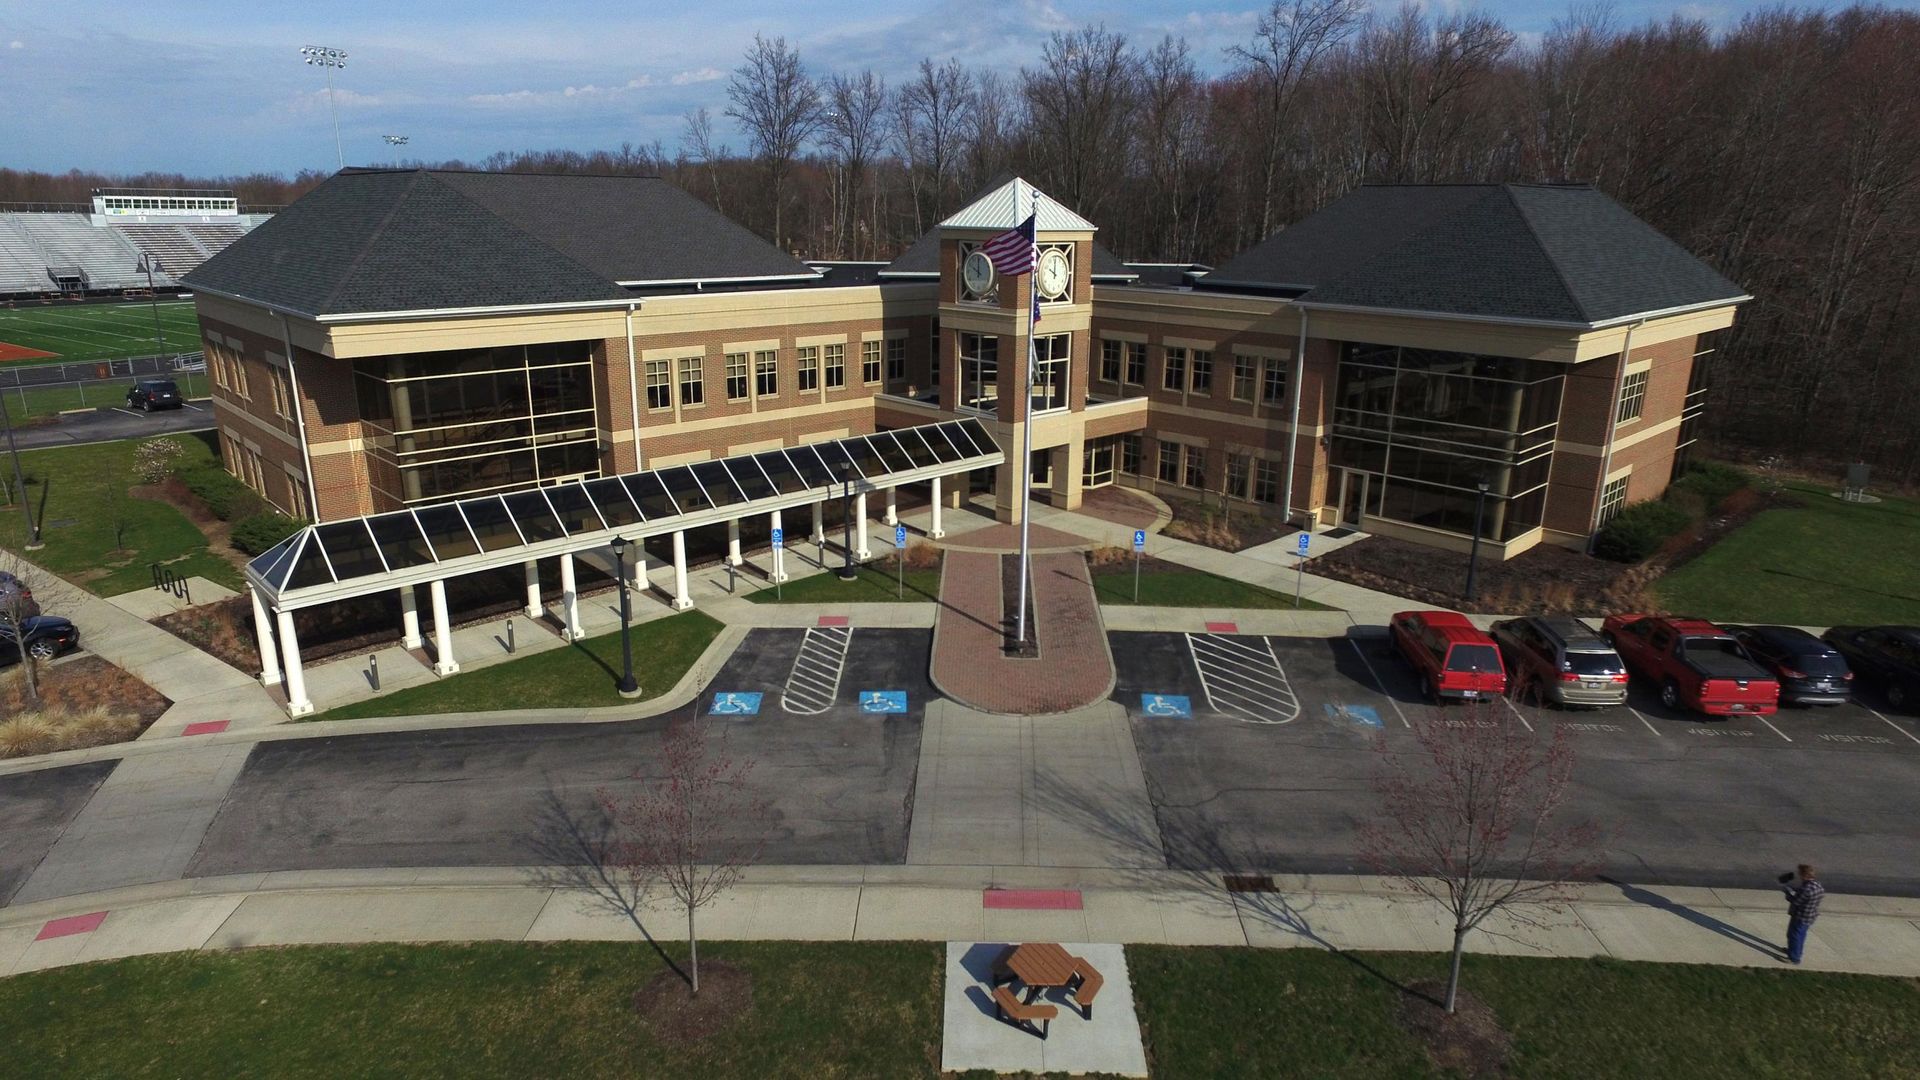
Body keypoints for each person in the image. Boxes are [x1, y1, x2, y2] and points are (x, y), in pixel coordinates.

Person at [1778, 864, 1825, 964]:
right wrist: (1794, 889)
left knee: (1794, 935)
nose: (1799, 875)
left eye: (1800, 873)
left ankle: (1794, 958)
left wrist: (1787, 892)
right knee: (1801, 936)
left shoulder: (1806, 889)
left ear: (1805, 875)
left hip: (1800, 916)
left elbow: (1795, 901)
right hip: (1810, 916)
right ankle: (1794, 951)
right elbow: (1802, 892)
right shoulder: (1817, 885)